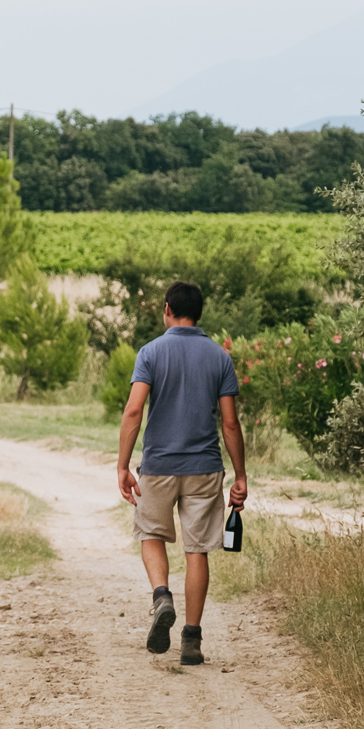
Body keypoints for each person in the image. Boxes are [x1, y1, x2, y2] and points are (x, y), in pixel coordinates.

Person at [116, 281, 248, 665]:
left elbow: (134, 411)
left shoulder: (151, 352)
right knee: (197, 550)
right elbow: (230, 424)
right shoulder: (220, 357)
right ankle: (191, 640)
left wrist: (123, 466)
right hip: (205, 468)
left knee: (151, 533)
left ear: (168, 308)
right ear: (200, 313)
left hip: (159, 465)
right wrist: (240, 475)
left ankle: (161, 596)